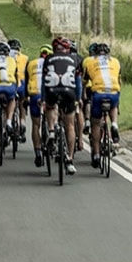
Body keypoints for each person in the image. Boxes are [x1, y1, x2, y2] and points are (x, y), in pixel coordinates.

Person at [40, 36, 84, 173]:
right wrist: (78, 98)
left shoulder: (48, 59)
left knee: (51, 106)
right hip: (68, 92)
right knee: (70, 125)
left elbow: (44, 82)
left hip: (52, 90)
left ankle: (51, 130)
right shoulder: (74, 59)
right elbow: (78, 83)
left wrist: (43, 99)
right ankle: (69, 160)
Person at [83, 40, 121, 156]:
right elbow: (119, 81)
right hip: (113, 92)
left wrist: (84, 96)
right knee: (114, 105)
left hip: (98, 93)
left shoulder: (90, 62)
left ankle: (96, 154)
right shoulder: (115, 62)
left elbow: (84, 82)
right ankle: (114, 124)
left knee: (96, 124)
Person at [26, 43, 51, 166]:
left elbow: (26, 81)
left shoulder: (31, 63)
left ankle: (37, 152)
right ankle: (52, 134)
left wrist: (25, 98)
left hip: (35, 94)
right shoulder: (53, 63)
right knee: (54, 116)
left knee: (36, 125)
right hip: (49, 94)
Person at [5, 37, 29, 141]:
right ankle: (22, 122)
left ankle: (7, 122)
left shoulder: (5, 58)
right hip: (22, 83)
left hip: (10, 83)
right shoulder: (25, 58)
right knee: (22, 102)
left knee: (7, 103)